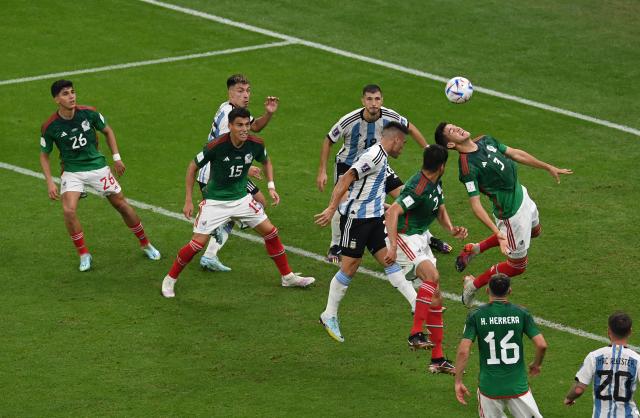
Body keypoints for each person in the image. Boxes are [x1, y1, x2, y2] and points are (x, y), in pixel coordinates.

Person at [161, 107, 314, 298]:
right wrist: (188, 200)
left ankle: (287, 277)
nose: (244, 129)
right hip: (215, 202)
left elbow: (266, 161)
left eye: (247, 125)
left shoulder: (256, 143)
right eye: (239, 125)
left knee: (271, 232)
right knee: (197, 244)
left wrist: (271, 186)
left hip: (241, 199)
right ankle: (170, 279)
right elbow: (193, 166)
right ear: (230, 126)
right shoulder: (216, 145)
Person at [434, 122, 573, 307]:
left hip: (522, 195)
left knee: (535, 231)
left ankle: (475, 249)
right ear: (450, 145)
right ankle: (472, 285)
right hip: (511, 215)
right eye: (451, 131)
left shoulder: (486, 140)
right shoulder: (467, 167)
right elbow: (475, 205)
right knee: (517, 266)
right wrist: (498, 233)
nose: (458, 128)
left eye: (455, 125)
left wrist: (547, 166)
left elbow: (515, 153)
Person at [317, 84, 451, 264]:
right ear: (363, 101)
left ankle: (427, 236)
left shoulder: (389, 115)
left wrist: (428, 149)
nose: (373, 103)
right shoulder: (349, 120)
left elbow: (410, 127)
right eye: (369, 99)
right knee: (345, 201)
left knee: (410, 197)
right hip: (349, 166)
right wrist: (322, 171)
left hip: (378, 163)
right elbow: (328, 140)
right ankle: (335, 245)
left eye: (377, 99)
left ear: (382, 100)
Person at [39, 79, 161, 272]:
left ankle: (145, 243)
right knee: (69, 211)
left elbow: (107, 131)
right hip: (72, 172)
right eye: (65, 94)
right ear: (56, 99)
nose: (71, 96)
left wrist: (117, 158)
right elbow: (44, 156)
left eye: (72, 92)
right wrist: (49, 183)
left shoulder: (89, 113)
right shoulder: (50, 126)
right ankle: (84, 254)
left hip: (98, 167)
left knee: (121, 205)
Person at [314, 121, 417, 343]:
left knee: (389, 260)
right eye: (404, 143)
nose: (403, 148)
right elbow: (346, 178)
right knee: (349, 268)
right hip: (357, 220)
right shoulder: (374, 156)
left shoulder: (382, 156)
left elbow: (375, 187)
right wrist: (332, 208)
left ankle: (416, 303)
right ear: (396, 139)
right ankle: (329, 314)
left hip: (373, 218)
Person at [384, 144, 468, 374]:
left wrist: (451, 228)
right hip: (404, 238)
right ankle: (415, 333)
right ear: (442, 166)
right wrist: (392, 247)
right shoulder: (418, 188)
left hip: (420, 239)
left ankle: (438, 358)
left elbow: (440, 207)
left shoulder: (434, 182)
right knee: (432, 276)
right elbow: (392, 212)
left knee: (436, 298)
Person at [196, 74, 280, 273]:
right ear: (230, 92)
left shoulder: (234, 111)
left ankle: (211, 253)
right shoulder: (229, 117)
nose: (246, 95)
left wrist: (268, 113)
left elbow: (256, 126)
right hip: (218, 173)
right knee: (257, 203)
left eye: (248, 90)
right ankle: (223, 232)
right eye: (240, 91)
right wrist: (247, 166)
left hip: (227, 170)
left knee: (250, 206)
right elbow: (225, 147)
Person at [454, 274, 547, 418]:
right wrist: (536, 364)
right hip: (518, 387)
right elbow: (541, 345)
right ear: (509, 291)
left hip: (489, 388)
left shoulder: (476, 315)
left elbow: (463, 352)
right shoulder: (521, 313)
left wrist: (458, 381)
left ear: (487, 291)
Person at [564, 311, 640, 417]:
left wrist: (569, 398)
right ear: (630, 332)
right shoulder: (637, 359)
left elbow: (579, 389)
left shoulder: (594, 356)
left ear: (609, 331)